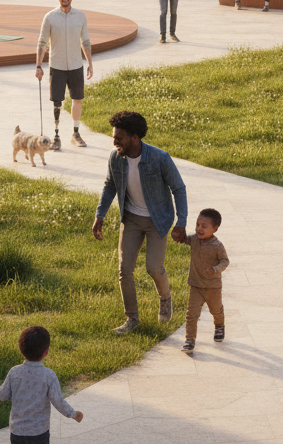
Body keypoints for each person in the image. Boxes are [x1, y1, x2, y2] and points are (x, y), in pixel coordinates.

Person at [93, 111, 188, 335]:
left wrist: (181, 221)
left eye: (119, 137)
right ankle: (132, 319)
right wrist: (100, 215)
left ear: (135, 138)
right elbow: (110, 185)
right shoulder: (115, 157)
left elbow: (178, 188)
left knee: (153, 268)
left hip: (157, 219)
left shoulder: (159, 158)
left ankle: (165, 298)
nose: (114, 141)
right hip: (132, 219)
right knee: (124, 270)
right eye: (114, 136)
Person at [0, 325, 83, 444]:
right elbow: (58, 402)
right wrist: (73, 414)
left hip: (17, 431)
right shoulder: (48, 375)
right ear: (46, 352)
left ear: (21, 348)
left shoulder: (14, 372)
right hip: (39, 432)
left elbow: (2, 395)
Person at [35, 0, 93, 149]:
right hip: (57, 65)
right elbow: (42, 43)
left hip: (76, 65)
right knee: (57, 102)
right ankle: (56, 136)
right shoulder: (50, 17)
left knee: (78, 99)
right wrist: (38, 66)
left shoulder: (80, 16)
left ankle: (75, 134)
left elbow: (86, 41)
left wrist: (90, 63)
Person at [181, 208, 230, 355]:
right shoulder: (194, 239)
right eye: (197, 224)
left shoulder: (217, 245)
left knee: (215, 310)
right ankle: (190, 340)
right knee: (192, 314)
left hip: (213, 287)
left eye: (204, 226)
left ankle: (219, 325)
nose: (199, 229)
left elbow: (225, 261)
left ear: (215, 229)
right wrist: (178, 235)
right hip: (196, 285)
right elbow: (183, 239)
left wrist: (215, 269)